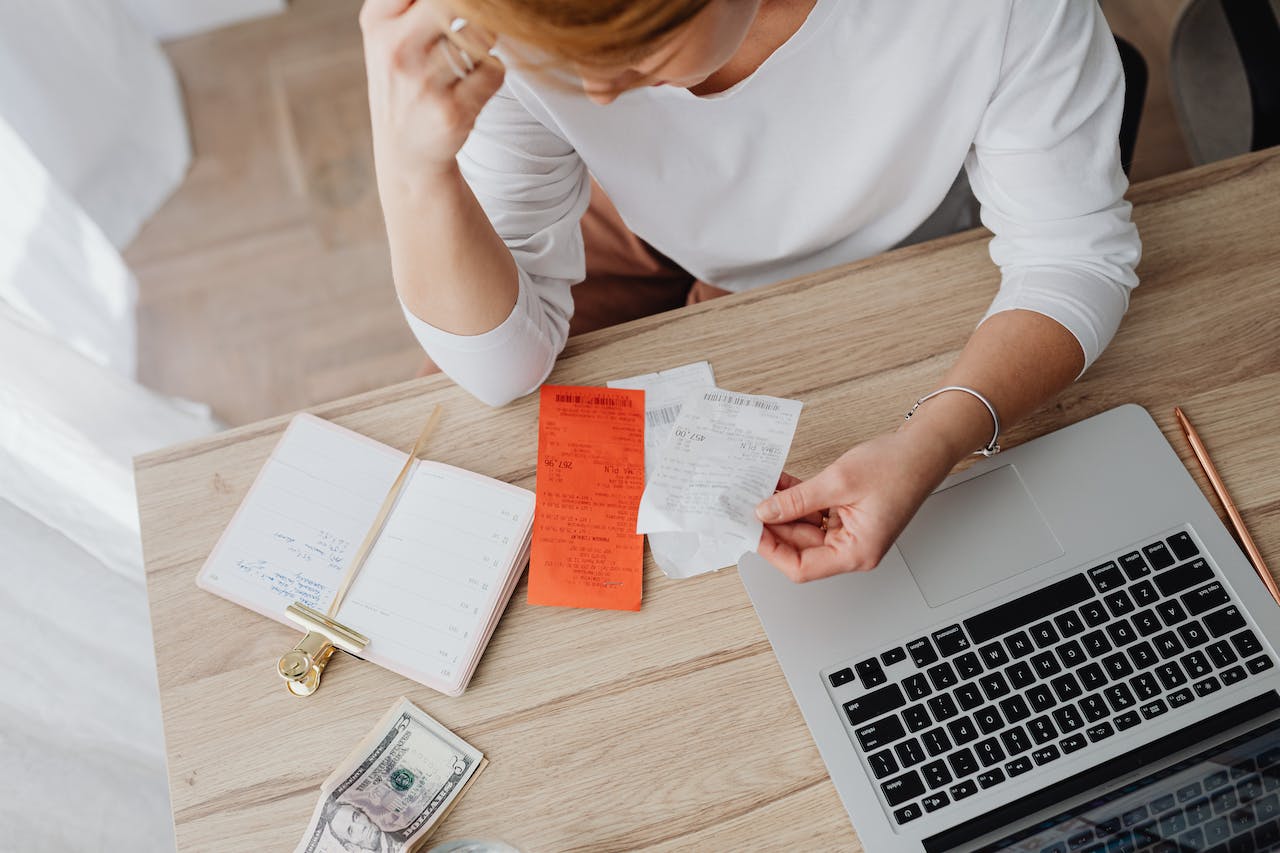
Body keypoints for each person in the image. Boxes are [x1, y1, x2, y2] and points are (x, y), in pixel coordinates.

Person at [359, 0, 1141, 583]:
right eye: (564, 58)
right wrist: (410, 168)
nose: (595, 95)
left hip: (881, 223)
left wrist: (935, 439)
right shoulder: (509, 23)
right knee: (448, 439)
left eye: (637, 47)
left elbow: (1075, 257)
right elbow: (501, 370)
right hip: (616, 203)